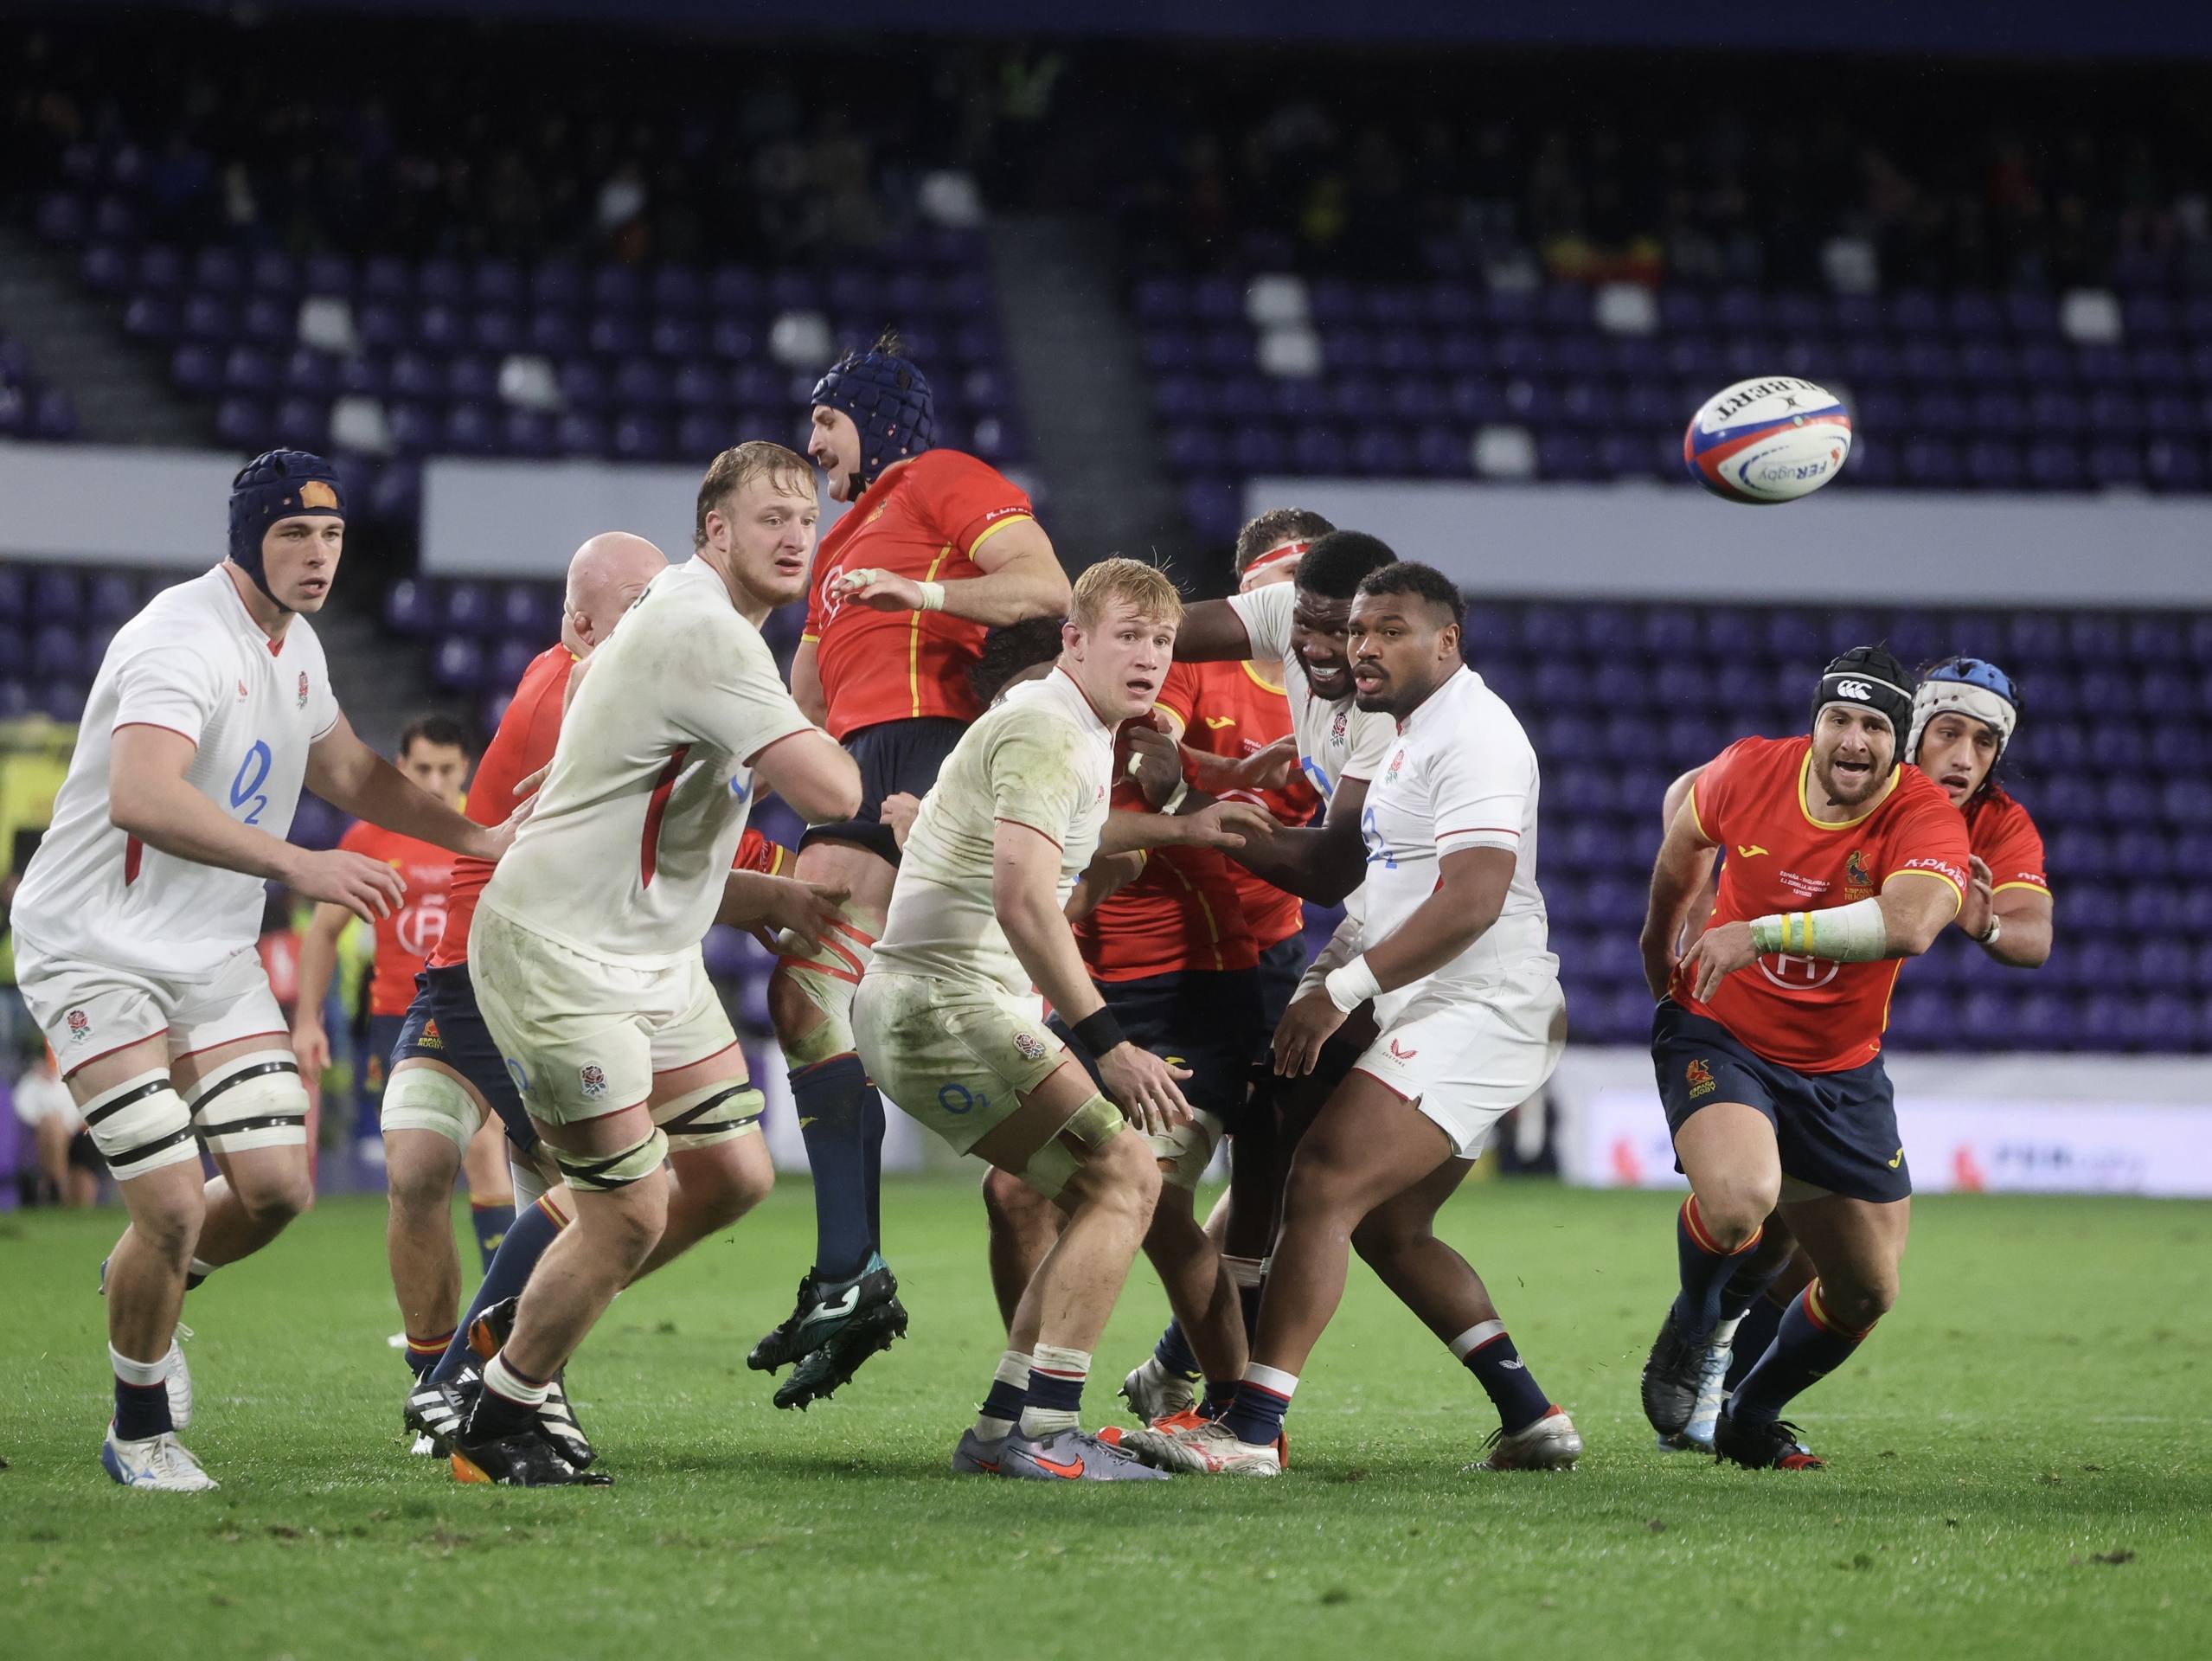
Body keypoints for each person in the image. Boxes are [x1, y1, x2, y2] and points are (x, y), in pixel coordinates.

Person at [8, 451, 521, 1490]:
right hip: (94, 948)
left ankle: (139, 1280)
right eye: (295, 533)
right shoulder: (177, 639)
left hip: (209, 949)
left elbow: (351, 773)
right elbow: (141, 796)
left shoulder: (298, 646)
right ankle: (139, 1431)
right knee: (172, 1204)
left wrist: (480, 838)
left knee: (280, 1188)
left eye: (331, 535)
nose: (318, 554)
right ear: (247, 539)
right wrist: (301, 862)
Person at [448, 442, 862, 1485]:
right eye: (770, 517)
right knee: (627, 1213)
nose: (795, 535)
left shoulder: (702, 627)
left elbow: (651, 816)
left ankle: (518, 1344)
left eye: (806, 519)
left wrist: (754, 893)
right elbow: (833, 793)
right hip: (560, 955)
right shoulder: (700, 628)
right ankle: (494, 1410)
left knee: (729, 1173)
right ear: (713, 532)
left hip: (650, 954)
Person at [1125, 562, 1578, 1478]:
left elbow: (1475, 898)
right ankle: (1533, 1420)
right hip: (1424, 992)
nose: (1363, 647)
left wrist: (1340, 990)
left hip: (1479, 1002)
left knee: (1322, 1185)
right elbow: (1364, 879)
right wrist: (1318, 978)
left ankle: (1248, 1431)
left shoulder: (1476, 735)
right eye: (1358, 630)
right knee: (1384, 1226)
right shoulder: (1403, 732)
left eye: (1390, 630)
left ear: (1445, 640)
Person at [856, 557, 1244, 1482]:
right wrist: (1107, 1041)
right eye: (1126, 636)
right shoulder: (1047, 730)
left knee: (1094, 1192)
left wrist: (1164, 837)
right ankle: (1044, 1429)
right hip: (942, 1000)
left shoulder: (1076, 731)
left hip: (931, 1001)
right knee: (1125, 1176)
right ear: (1073, 640)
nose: (1148, 657)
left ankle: (1003, 1429)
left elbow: (1059, 860)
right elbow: (1024, 899)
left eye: (1160, 640)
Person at [755, 333, 1072, 1410]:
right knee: (804, 993)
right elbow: (801, 699)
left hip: (934, 742)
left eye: (826, 421)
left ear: (878, 418)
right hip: (856, 760)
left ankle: (866, 1271)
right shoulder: (833, 544)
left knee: (887, 1001)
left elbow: (1046, 588)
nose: (811, 444)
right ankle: (853, 1268)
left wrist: (922, 598)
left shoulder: (937, 480)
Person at [1647, 656, 2052, 1448]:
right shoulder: (1789, 768)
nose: (1963, 757)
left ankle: (1737, 1411)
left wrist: (1982, 923)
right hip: (1737, 1030)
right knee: (1751, 1212)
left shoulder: (1978, 821)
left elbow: (2023, 936)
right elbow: (1688, 806)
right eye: (1946, 734)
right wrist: (1681, 923)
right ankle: (1703, 1353)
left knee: (1859, 1280)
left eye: (1982, 741)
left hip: (1843, 1057)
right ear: (1912, 732)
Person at [1112, 526, 1398, 1421]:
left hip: (1293, 940)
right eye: (1284, 593)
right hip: (1173, 956)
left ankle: (1196, 1371)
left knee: (1283, 1158)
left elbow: (1327, 866)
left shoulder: (1373, 697)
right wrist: (1201, 777)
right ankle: (1208, 1376)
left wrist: (1201, 788)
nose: (1312, 633)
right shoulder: (1204, 665)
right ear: (1260, 592)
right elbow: (1142, 726)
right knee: (1180, 1177)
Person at [292, 717, 517, 1355]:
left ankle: (499, 1315)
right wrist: (308, 1021)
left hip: (473, 1009)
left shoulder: (487, 832)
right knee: (418, 1169)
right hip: (398, 1020)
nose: (437, 782)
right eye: (423, 771)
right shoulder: (370, 835)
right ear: (401, 766)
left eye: (448, 770)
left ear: (467, 771)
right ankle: (452, 1313)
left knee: (482, 1149)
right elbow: (323, 931)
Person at [15, 1045, 99, 1207]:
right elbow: (24, 1110)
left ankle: (59, 1187)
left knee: (83, 1179)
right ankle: (56, 1185)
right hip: (50, 1133)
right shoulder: (31, 1083)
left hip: (81, 1131)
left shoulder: (73, 1076)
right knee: (51, 1127)